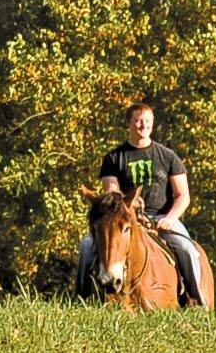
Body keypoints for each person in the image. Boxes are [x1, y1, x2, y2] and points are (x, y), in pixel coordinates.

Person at [86, 99, 208, 306]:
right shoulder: (114, 158)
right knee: (86, 246)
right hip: (125, 218)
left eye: (148, 121)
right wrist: (127, 203)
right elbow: (111, 192)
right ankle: (82, 296)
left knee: (187, 249)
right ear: (129, 123)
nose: (143, 125)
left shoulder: (168, 157)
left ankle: (197, 300)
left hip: (162, 218)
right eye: (138, 121)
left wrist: (170, 219)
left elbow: (182, 195)